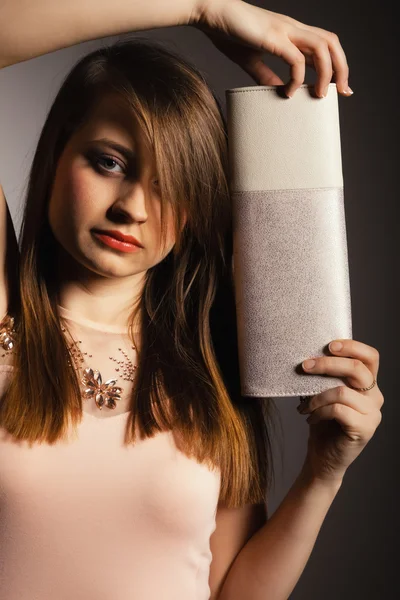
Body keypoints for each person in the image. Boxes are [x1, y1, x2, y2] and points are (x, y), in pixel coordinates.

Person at [0, 1, 383, 599]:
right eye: (109, 162)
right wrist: (204, 6)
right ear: (57, 153)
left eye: (170, 186)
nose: (134, 206)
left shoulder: (207, 372)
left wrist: (321, 475)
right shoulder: (5, 319)